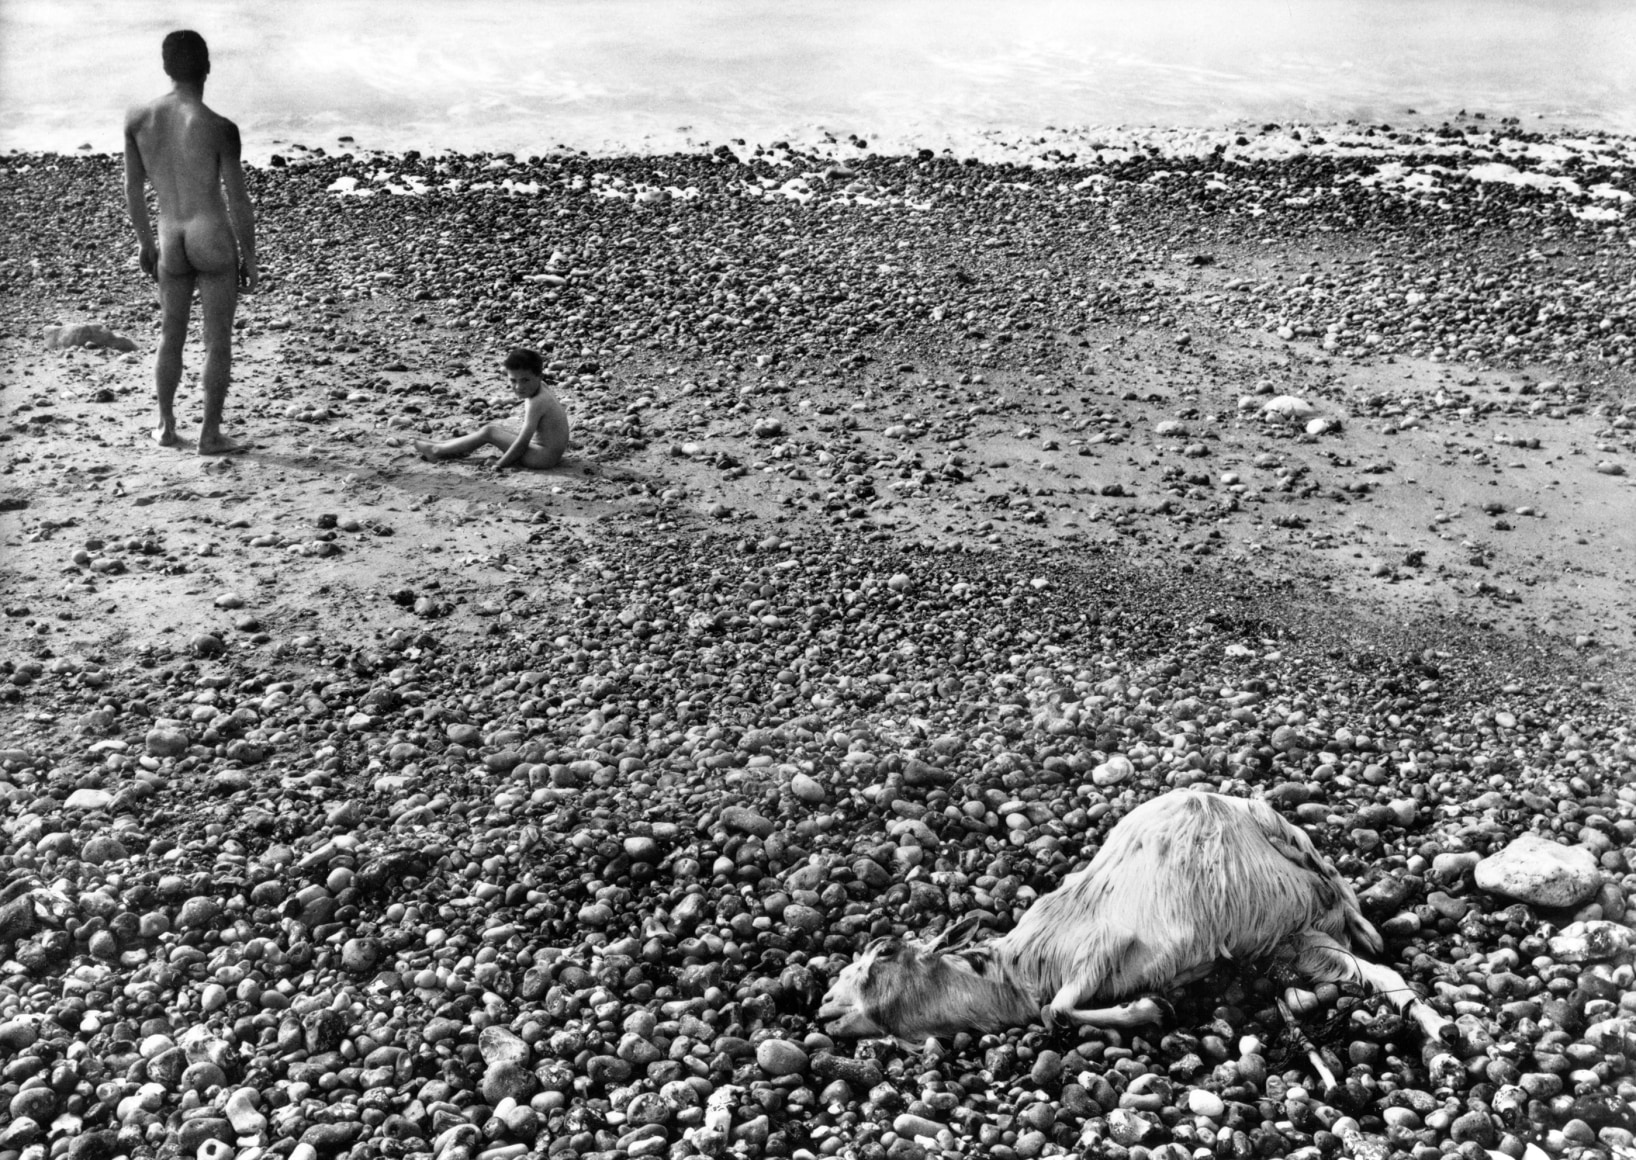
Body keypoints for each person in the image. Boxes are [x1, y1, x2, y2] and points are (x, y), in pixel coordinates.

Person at [124, 29, 258, 455]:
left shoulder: (138, 119)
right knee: (217, 338)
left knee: (171, 333)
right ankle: (210, 435)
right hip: (211, 235)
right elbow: (238, 200)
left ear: (166, 68)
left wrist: (145, 241)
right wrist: (250, 257)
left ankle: (165, 427)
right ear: (207, 68)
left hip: (169, 236)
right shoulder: (220, 127)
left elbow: (131, 189)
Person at [415, 348, 570, 469]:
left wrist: (500, 464)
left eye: (525, 380)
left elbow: (523, 441)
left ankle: (436, 451)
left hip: (542, 458)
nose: (519, 387)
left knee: (489, 432)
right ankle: (442, 446)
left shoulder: (537, 401)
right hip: (549, 453)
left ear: (539, 376)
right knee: (493, 428)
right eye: (513, 380)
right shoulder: (541, 387)